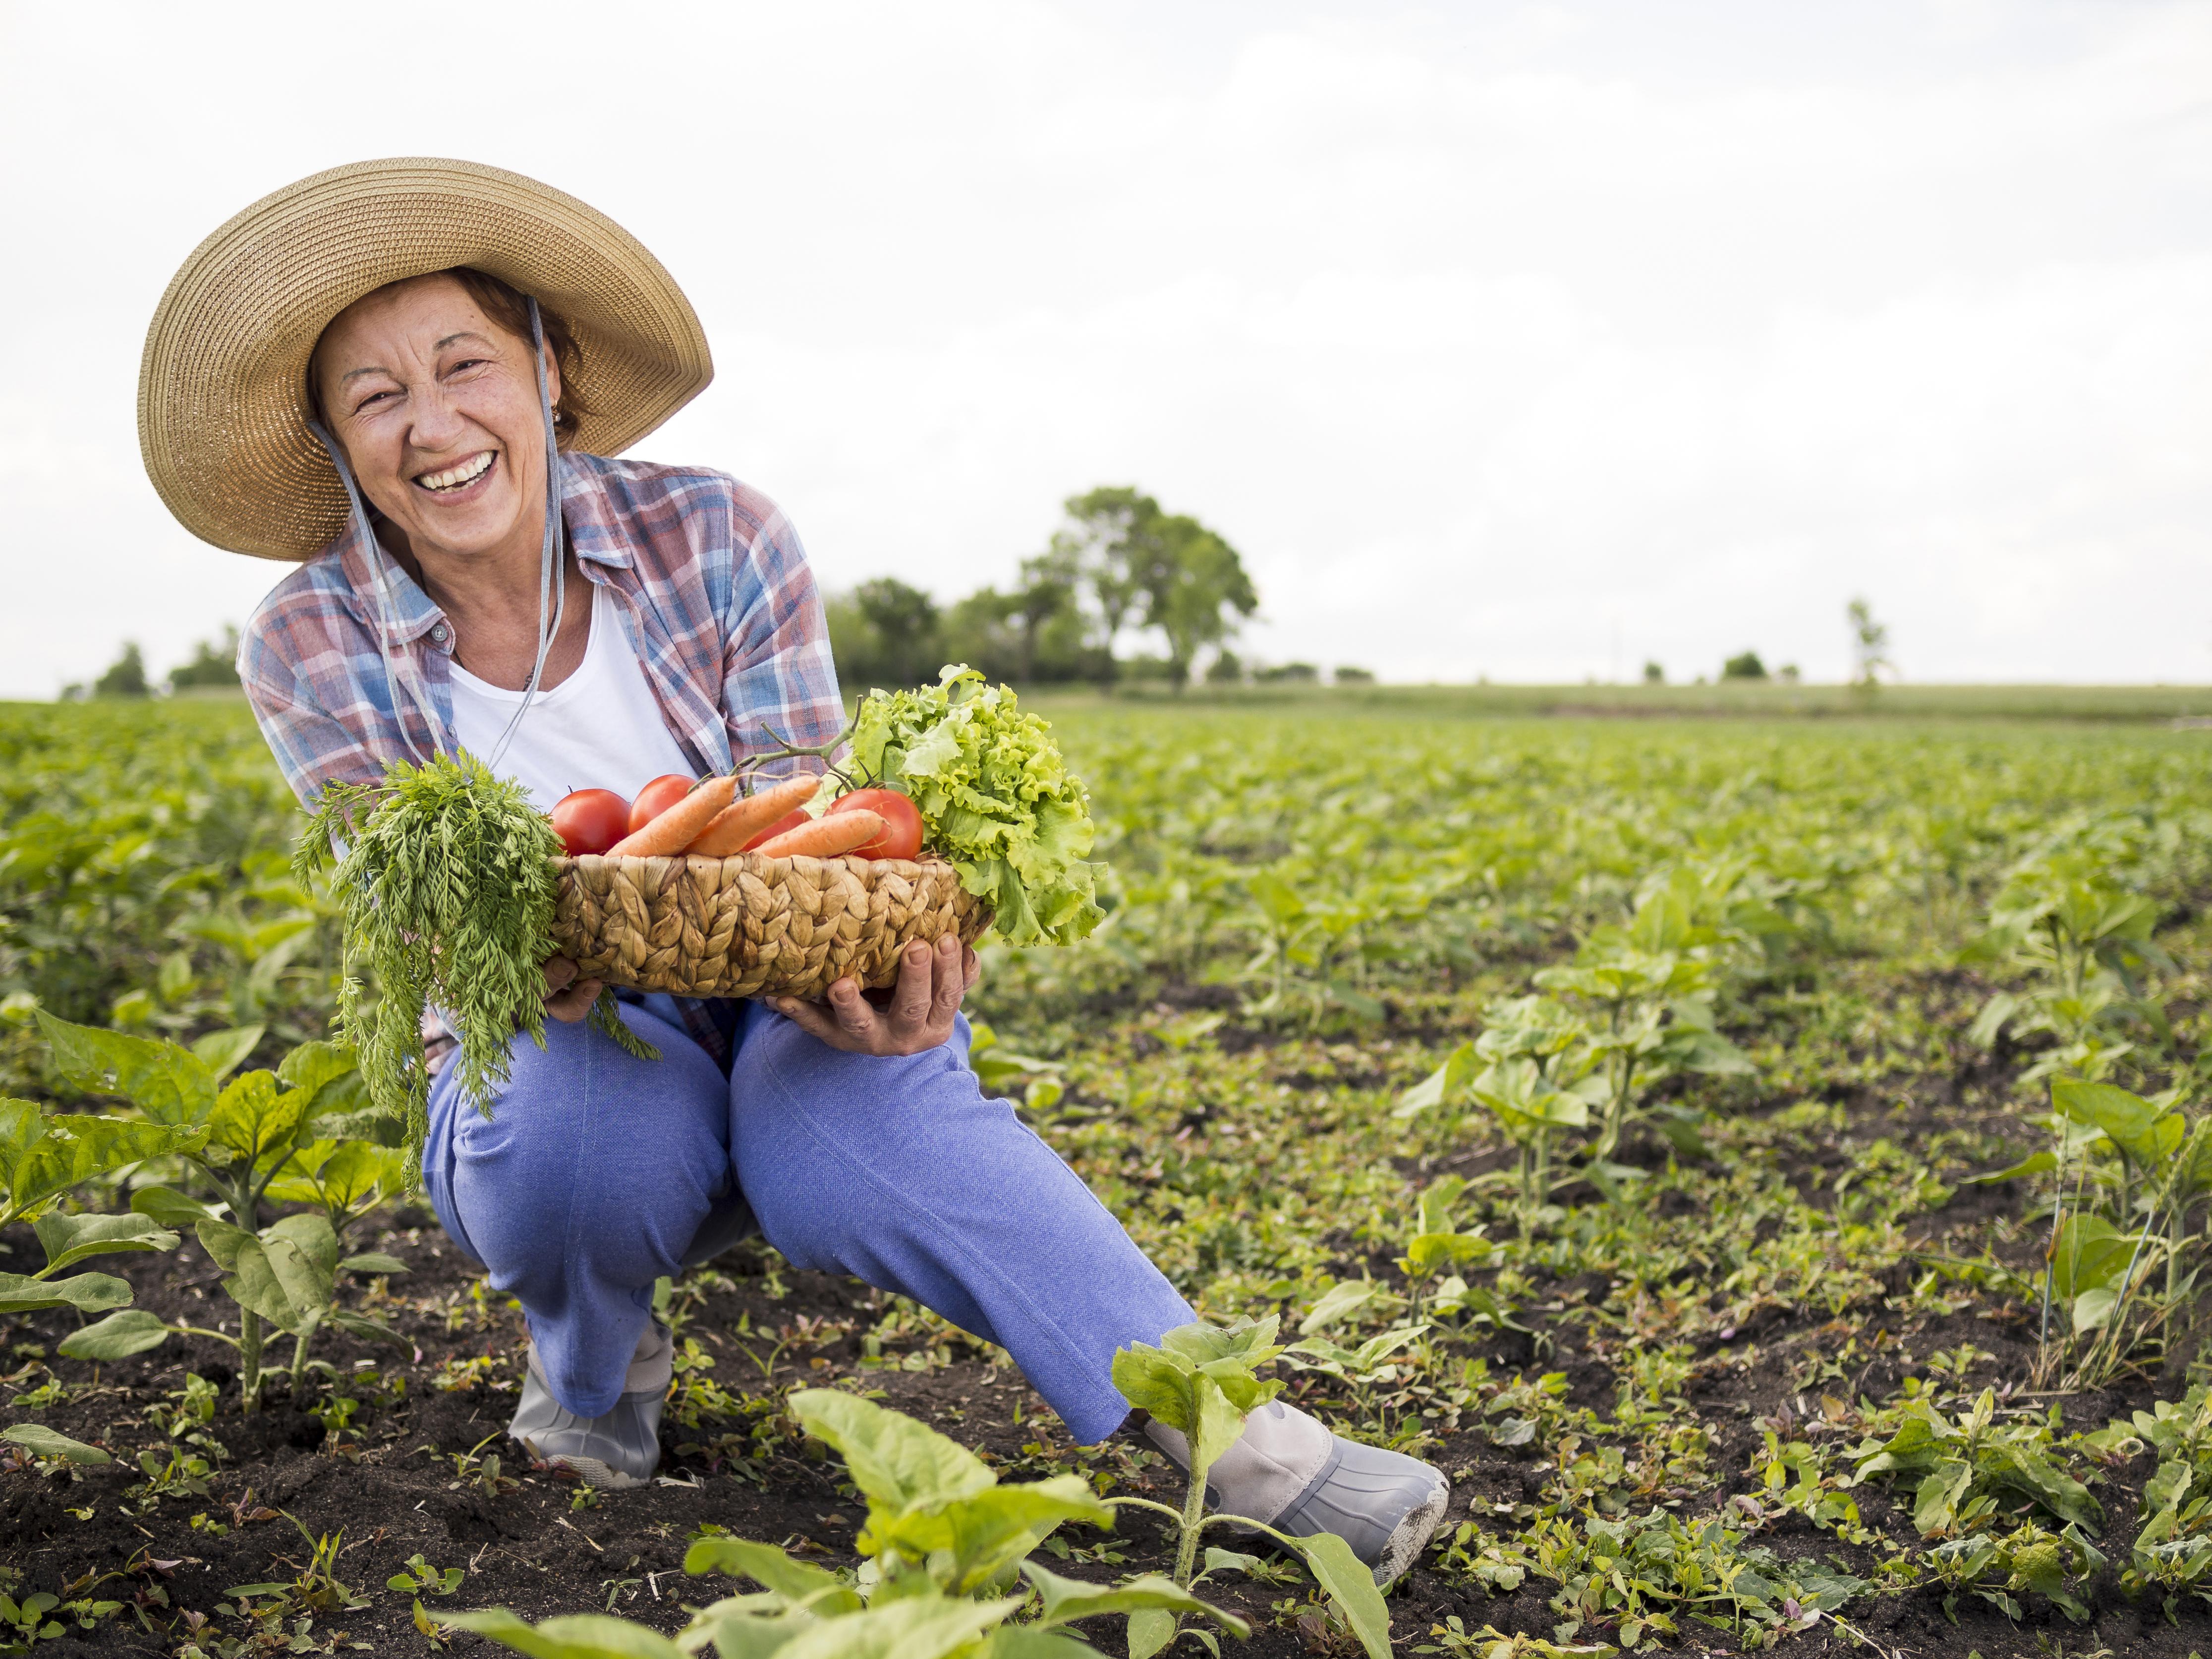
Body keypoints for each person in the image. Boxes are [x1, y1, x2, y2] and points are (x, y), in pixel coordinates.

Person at [139, 157, 1450, 1582]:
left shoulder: (720, 537)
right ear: (335, 439)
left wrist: (895, 984)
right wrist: (526, 957)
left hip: (780, 1004)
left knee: (868, 1126)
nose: (433, 424)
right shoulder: (307, 642)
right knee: (577, 1129)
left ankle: (1247, 1446)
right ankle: (595, 1375)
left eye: (465, 363)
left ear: (549, 370)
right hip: (554, 1043)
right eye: (376, 395)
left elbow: (819, 842)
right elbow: (419, 929)